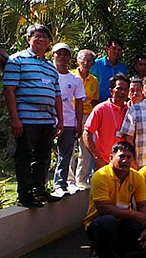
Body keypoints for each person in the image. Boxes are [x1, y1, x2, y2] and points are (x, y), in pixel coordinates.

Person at [3, 24, 63, 207]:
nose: (42, 40)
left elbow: (57, 95)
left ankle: (40, 190)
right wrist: (15, 118)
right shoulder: (16, 60)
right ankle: (25, 194)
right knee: (24, 156)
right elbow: (9, 90)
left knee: (43, 157)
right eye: (37, 36)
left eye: (45, 37)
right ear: (28, 39)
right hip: (26, 119)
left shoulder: (50, 68)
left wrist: (60, 119)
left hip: (47, 120)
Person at [83, 141, 146, 258]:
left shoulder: (137, 177)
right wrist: (135, 215)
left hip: (123, 221)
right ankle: (103, 256)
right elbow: (103, 208)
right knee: (108, 222)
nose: (125, 160)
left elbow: (142, 205)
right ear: (111, 158)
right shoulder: (100, 176)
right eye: (121, 156)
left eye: (128, 157)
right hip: (98, 222)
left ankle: (117, 249)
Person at [51, 43, 86, 197]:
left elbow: (79, 103)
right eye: (59, 54)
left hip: (69, 122)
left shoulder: (75, 80)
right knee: (43, 153)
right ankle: (39, 186)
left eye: (66, 54)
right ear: (53, 56)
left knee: (66, 154)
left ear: (70, 58)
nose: (62, 57)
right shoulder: (48, 74)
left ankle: (60, 183)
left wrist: (79, 124)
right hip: (48, 121)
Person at [84, 74, 130, 170]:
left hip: (125, 163)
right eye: (119, 89)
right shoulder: (101, 109)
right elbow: (87, 133)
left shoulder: (131, 110)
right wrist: (96, 157)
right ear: (111, 91)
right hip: (104, 162)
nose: (122, 92)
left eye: (125, 89)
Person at [70, 49, 99, 191]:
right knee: (69, 148)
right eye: (83, 60)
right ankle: (69, 181)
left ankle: (82, 179)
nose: (86, 63)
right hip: (71, 115)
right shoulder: (70, 76)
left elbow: (94, 101)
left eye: (89, 61)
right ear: (77, 61)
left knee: (86, 149)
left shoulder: (94, 80)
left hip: (87, 116)